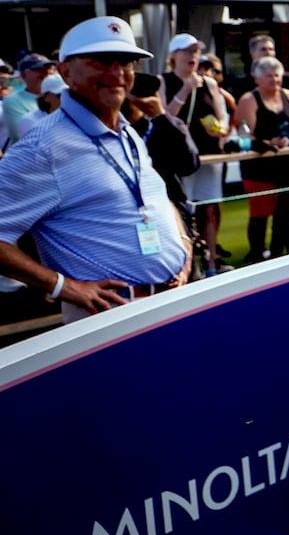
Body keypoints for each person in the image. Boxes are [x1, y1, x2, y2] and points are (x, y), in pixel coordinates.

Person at [0, 17, 190, 321]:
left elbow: (156, 196)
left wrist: (183, 244)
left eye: (126, 62)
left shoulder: (127, 132)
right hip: (110, 317)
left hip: (170, 302)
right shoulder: (44, 147)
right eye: (101, 61)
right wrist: (65, 287)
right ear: (64, 72)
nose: (117, 72)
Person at [234, 57, 289, 262]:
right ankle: (257, 256)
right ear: (258, 79)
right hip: (261, 169)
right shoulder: (249, 100)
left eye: (277, 75)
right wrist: (269, 143)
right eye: (269, 76)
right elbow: (245, 133)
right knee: (260, 215)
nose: (274, 79)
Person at [163, 34, 229, 276]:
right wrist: (184, 91)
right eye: (187, 52)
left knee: (209, 210)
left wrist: (218, 128)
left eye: (195, 52)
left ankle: (211, 262)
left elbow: (222, 120)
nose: (192, 57)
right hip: (179, 159)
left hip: (208, 156)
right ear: (173, 56)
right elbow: (164, 118)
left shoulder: (209, 84)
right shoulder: (164, 81)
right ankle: (187, 264)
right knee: (182, 211)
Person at [4, 53, 56, 146]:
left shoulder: (61, 94)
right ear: (24, 75)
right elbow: (26, 135)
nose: (46, 73)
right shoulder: (12, 101)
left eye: (49, 68)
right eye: (39, 69)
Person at [14, 73, 68, 140]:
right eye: (61, 95)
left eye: (70, 94)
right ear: (47, 97)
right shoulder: (30, 121)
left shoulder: (75, 117)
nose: (67, 98)